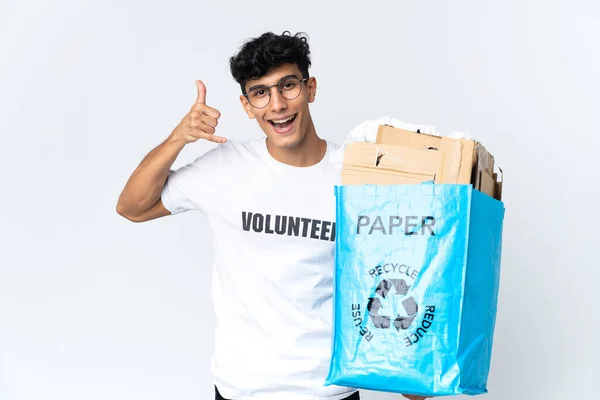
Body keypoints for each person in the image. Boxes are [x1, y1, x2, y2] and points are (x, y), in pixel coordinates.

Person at [116, 31, 427, 400]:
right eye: (261, 92)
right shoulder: (225, 168)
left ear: (310, 88)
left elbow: (391, 272)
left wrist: (415, 379)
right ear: (247, 106)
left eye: (288, 86)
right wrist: (178, 138)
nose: (277, 104)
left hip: (328, 391)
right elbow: (132, 207)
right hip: (241, 390)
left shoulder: (355, 175)